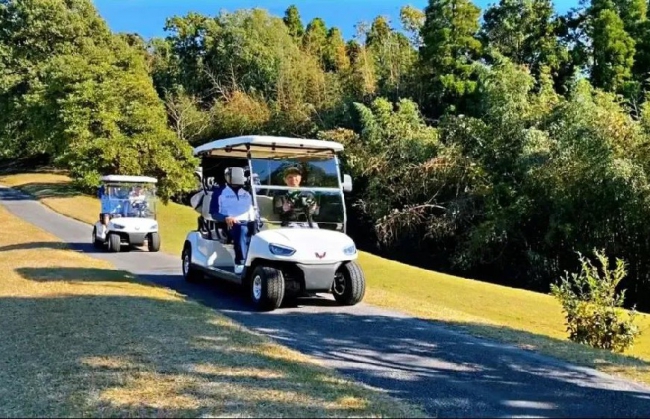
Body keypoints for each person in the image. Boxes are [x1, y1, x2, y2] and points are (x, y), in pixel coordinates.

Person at [209, 167, 257, 274]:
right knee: (241, 230)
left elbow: (253, 210)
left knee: (260, 232)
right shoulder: (220, 192)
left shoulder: (247, 193)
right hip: (229, 223)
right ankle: (240, 262)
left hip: (248, 222)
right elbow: (214, 213)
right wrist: (225, 217)